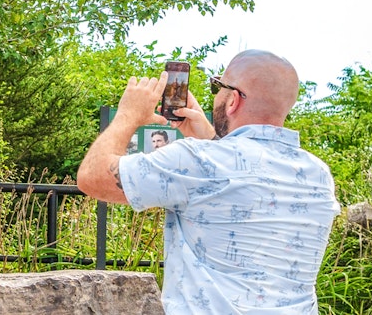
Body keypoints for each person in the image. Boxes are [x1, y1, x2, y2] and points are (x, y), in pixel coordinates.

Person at [78, 50, 339, 312]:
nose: (216, 95)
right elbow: (240, 182)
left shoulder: (197, 161)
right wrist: (212, 140)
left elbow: (93, 177)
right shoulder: (318, 174)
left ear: (233, 100)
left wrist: (129, 115)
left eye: (218, 86)